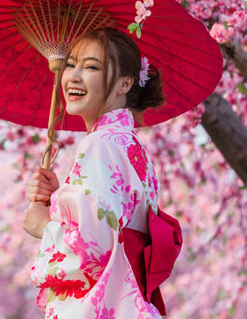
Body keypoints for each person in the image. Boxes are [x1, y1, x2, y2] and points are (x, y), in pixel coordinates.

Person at [22, 28, 181, 318]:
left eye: (91, 67)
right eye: (70, 64)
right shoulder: (128, 145)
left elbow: (96, 248)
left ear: (124, 83)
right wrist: (60, 201)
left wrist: (44, 226)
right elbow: (110, 223)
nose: (73, 76)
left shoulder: (100, 144)